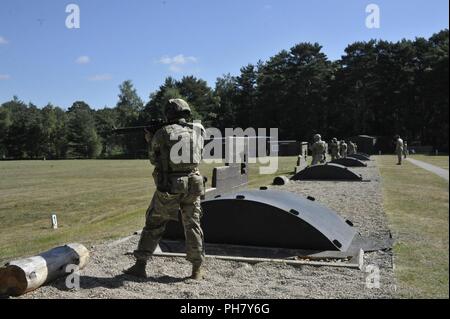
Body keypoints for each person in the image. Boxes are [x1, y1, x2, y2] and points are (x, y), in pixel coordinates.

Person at [123, 98, 206, 280]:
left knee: (154, 223)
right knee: (192, 224)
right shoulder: (198, 131)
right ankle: (196, 268)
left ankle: (140, 264)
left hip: (170, 186)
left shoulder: (162, 133)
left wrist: (150, 137)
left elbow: (154, 158)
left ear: (169, 114)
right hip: (194, 185)